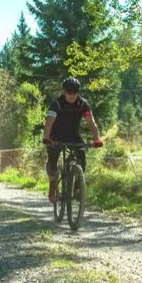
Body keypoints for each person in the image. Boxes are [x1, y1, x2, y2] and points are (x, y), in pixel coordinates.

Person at [42, 76, 103, 204]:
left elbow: (91, 122)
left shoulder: (82, 104)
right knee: (52, 162)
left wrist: (97, 138)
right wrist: (46, 137)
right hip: (55, 136)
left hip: (73, 135)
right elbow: (49, 123)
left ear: (77, 92)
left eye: (74, 92)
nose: (72, 95)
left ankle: (76, 187)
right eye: (69, 92)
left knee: (81, 157)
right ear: (64, 91)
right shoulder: (57, 104)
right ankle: (53, 185)